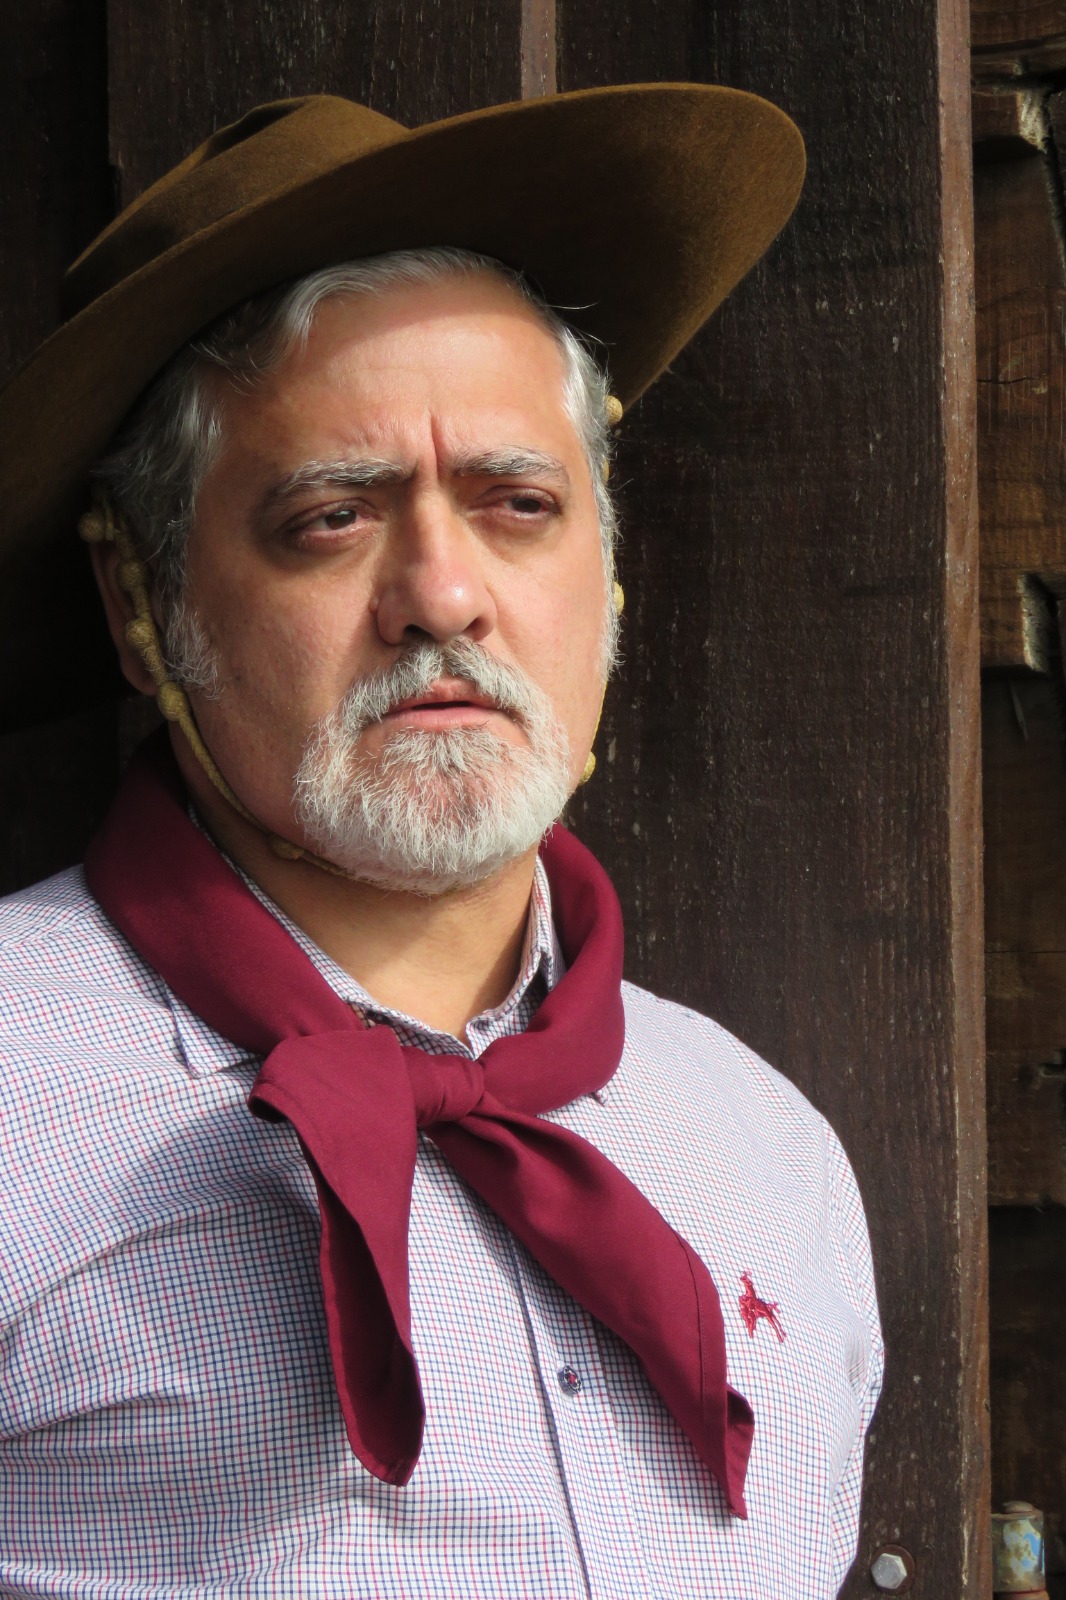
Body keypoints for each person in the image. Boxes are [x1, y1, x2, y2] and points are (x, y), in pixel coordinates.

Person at [0, 87, 882, 1598]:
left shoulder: (764, 1152)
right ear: (138, 604)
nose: (443, 596)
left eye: (517, 504)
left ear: (607, 579)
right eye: (331, 519)